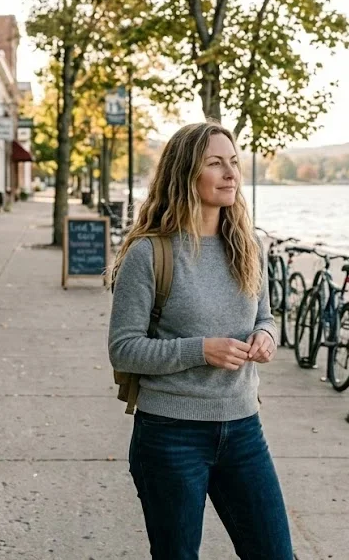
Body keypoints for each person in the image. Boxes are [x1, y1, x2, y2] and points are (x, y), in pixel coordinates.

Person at [108, 121, 293, 559]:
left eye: (233, 162)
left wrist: (265, 337)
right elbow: (124, 347)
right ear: (185, 173)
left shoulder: (247, 245)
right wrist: (200, 350)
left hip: (244, 428)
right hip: (170, 435)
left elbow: (265, 317)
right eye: (215, 163)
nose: (231, 173)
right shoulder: (150, 253)